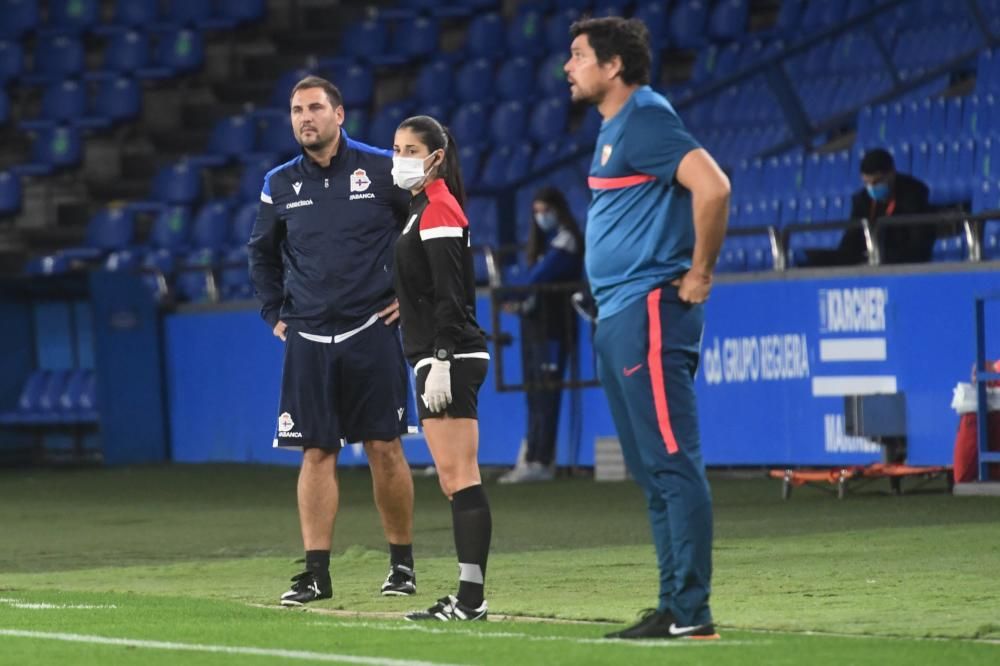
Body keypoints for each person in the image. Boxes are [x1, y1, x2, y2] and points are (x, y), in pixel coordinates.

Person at [564, 17, 729, 640]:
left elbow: (712, 187)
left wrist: (700, 275)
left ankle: (692, 612)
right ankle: (673, 606)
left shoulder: (647, 117)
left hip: (650, 309)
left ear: (613, 66)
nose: (568, 67)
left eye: (578, 56)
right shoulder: (616, 128)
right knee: (650, 468)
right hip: (619, 314)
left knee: (671, 463)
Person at [248, 76, 418, 606]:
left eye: (316, 108)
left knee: (384, 448)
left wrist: (410, 298)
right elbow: (261, 253)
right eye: (297, 110)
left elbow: (427, 231)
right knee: (315, 451)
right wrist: (275, 313)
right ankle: (316, 574)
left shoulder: (384, 170)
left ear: (339, 115)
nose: (306, 118)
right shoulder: (278, 184)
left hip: (372, 330)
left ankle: (402, 567)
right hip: (308, 336)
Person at [390, 115, 492, 622]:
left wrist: (443, 360)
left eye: (411, 149)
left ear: (436, 156)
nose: (401, 157)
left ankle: (471, 600)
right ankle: (468, 597)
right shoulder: (419, 209)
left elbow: (452, 296)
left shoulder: (438, 208)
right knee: (454, 481)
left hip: (448, 355)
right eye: (397, 148)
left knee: (460, 477)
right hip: (433, 354)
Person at [498, 187, 584, 484]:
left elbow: (537, 277)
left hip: (555, 328)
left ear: (558, 209)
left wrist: (514, 289)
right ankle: (531, 454)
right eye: (535, 211)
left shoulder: (567, 241)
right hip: (535, 324)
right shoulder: (544, 243)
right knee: (534, 393)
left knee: (547, 393)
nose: (540, 217)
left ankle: (542, 459)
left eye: (544, 210)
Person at [813, 148, 933, 266]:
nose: (871, 188)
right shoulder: (862, 200)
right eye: (867, 183)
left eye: (876, 182)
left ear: (891, 173)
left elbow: (919, 244)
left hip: (902, 262)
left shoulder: (913, 194)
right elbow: (850, 240)